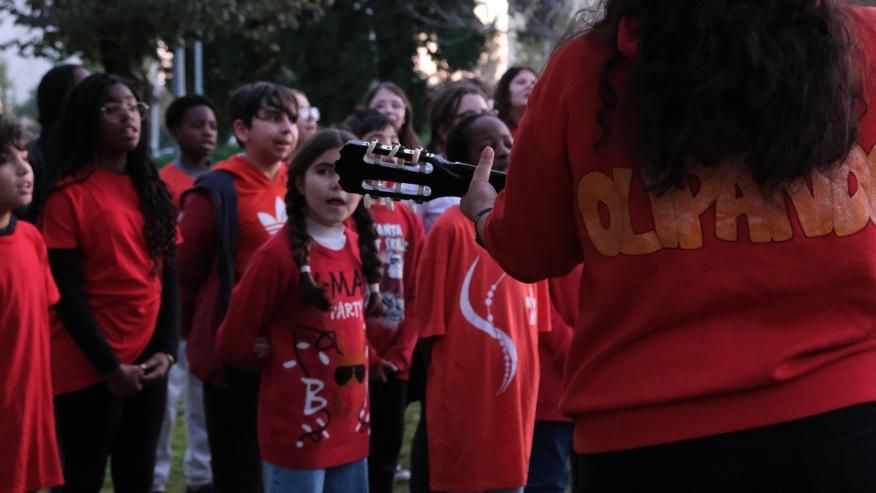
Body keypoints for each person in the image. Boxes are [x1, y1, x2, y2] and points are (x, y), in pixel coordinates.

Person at [461, 2, 876, 491]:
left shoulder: (583, 70)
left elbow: (530, 249)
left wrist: (486, 215)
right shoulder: (864, 42)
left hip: (641, 436)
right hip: (847, 415)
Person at [35, 72, 179, 492]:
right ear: (85, 118)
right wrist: (110, 368)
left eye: (134, 107)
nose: (128, 116)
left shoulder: (152, 191)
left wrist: (166, 351)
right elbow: (65, 294)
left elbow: (168, 279)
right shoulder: (65, 195)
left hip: (148, 362)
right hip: (87, 365)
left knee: (138, 475)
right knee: (81, 479)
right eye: (112, 108)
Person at [216, 129, 382, 493]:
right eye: (324, 171)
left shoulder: (358, 247)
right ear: (299, 181)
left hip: (353, 431)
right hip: (298, 436)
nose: (338, 184)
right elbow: (232, 341)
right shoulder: (277, 256)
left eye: (348, 174)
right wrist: (272, 353)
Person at [418, 113, 550, 493]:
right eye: (491, 145)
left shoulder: (528, 226)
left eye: (509, 141)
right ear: (464, 163)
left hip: (515, 408)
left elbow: (535, 327)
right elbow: (429, 333)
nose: (507, 149)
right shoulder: (447, 230)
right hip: (465, 410)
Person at [178, 81, 298, 493]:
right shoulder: (216, 190)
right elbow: (186, 275)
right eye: (274, 118)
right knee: (240, 470)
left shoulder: (300, 183)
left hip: (294, 354)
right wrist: (214, 340)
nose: (287, 129)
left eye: (292, 120)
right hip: (235, 359)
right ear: (243, 130)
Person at [344, 109, 425, 493]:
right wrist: (369, 357)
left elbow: (417, 290)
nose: (389, 149)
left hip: (397, 362)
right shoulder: (345, 211)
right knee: (350, 454)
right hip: (354, 357)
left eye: (394, 142)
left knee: (386, 458)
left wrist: (403, 352)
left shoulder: (407, 214)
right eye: (378, 140)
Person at [154, 94, 218, 493]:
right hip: (172, 308)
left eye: (212, 125)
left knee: (203, 403)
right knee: (164, 408)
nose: (208, 133)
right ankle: (155, 478)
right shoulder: (164, 183)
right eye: (198, 125)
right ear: (176, 132)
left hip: (208, 312)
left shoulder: (220, 180)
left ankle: (203, 477)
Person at [0, 115, 64, 493]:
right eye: (6, 160)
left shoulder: (31, 239)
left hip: (27, 412)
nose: (25, 168)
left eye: (24, 156)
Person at [420, 82, 490, 232]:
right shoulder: (421, 175)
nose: (481, 122)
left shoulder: (500, 173)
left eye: (485, 114)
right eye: (468, 116)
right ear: (443, 129)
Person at [364, 82, 421, 149]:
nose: (389, 110)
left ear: (405, 116)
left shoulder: (417, 151)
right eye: (380, 106)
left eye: (395, 105)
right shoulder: (353, 143)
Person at [493, 66, 536, 138]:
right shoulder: (493, 128)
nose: (530, 87)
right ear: (506, 91)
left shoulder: (544, 129)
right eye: (521, 82)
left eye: (534, 83)